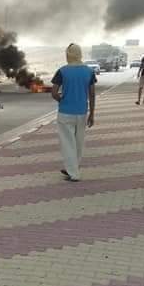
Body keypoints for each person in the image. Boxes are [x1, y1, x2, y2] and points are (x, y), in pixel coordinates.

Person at [50, 43, 97, 182]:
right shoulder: (89, 71)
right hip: (82, 112)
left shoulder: (62, 71)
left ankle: (74, 173)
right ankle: (73, 167)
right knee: (78, 142)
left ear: (68, 54)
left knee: (67, 143)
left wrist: (61, 100)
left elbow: (53, 92)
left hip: (65, 113)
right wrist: (92, 114)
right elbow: (92, 94)